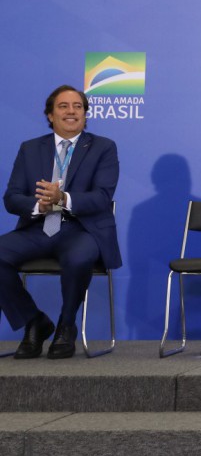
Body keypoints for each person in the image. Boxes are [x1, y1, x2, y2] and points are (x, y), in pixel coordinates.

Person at [0, 85, 120, 360]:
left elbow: (102, 197)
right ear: (50, 114)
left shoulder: (103, 147)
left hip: (82, 230)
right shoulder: (30, 149)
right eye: (63, 106)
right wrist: (38, 204)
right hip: (38, 228)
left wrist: (62, 197)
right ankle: (35, 321)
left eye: (78, 106)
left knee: (79, 259)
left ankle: (66, 326)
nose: (71, 111)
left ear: (85, 115)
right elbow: (11, 198)